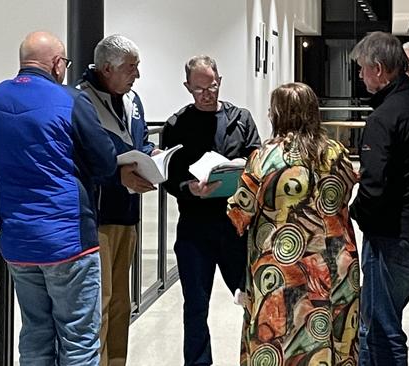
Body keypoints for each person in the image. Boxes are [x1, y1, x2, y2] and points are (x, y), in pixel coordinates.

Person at [0, 31, 116, 365]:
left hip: (19, 242)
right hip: (69, 240)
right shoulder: (70, 100)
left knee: (35, 334)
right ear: (58, 64)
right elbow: (104, 161)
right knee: (78, 339)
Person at [227, 82, 360, 365]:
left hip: (283, 266)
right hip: (336, 261)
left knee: (278, 338)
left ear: (279, 114)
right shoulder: (336, 152)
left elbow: (242, 211)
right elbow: (346, 193)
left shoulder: (264, 156)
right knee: (333, 336)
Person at [349, 32, 409, 365]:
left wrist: (353, 213)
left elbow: (374, 187)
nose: (360, 76)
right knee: (383, 321)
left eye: (362, 69)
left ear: (378, 68)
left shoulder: (384, 117)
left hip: (393, 236)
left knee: (379, 330)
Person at [160, 55, 260, 366]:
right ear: (188, 86)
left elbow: (257, 160)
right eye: (200, 89)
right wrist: (187, 188)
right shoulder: (176, 125)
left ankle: (257, 357)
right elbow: (167, 175)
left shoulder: (240, 119)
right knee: (196, 305)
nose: (208, 93)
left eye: (213, 86)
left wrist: (245, 168)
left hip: (235, 224)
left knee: (252, 298)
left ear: (220, 81)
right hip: (194, 226)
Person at [77, 34, 158, 366]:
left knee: (122, 302)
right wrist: (116, 176)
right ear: (107, 68)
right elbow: (80, 160)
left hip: (128, 214)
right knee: (102, 303)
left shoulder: (133, 100)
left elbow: (139, 142)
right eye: (130, 67)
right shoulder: (81, 102)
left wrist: (153, 158)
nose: (136, 75)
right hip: (98, 218)